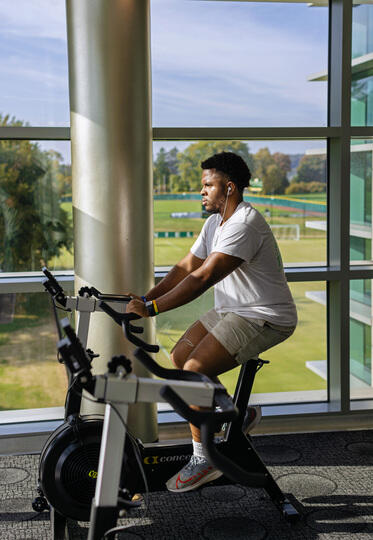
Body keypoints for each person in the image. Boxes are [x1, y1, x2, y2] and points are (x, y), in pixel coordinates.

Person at [126, 151, 297, 493]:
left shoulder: (244, 224)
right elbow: (185, 268)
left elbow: (202, 278)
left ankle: (205, 460)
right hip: (233, 308)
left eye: (208, 185)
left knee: (193, 370)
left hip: (264, 315)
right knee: (178, 361)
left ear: (229, 188)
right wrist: (146, 299)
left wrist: (154, 309)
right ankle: (234, 415)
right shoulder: (213, 224)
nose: (201, 191)